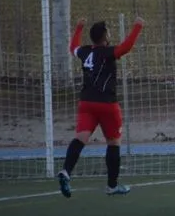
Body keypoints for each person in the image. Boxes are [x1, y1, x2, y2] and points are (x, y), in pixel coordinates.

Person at [57, 16, 144, 198]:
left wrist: (79, 28)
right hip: (106, 104)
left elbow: (72, 48)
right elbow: (125, 48)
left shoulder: (85, 52)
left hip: (86, 103)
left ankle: (66, 171)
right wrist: (137, 27)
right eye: (109, 32)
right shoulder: (106, 52)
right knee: (113, 142)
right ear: (105, 36)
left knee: (80, 138)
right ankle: (112, 186)